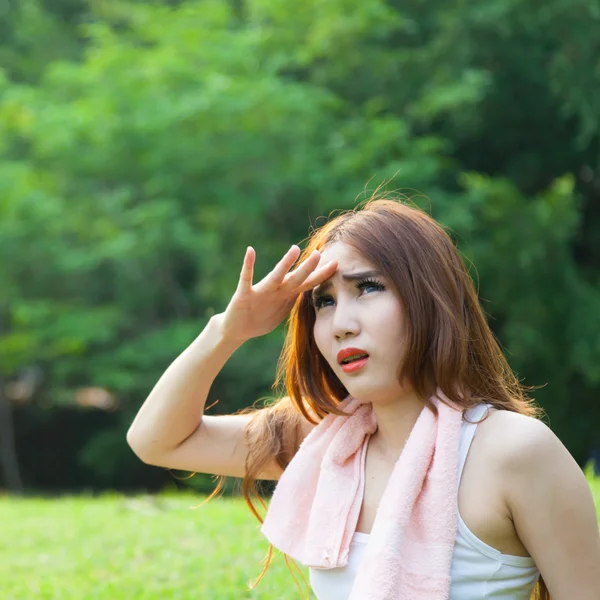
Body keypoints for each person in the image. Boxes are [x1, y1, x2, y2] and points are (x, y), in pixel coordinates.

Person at [127, 195, 600, 600]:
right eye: (324, 301)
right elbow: (156, 441)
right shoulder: (325, 441)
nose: (341, 323)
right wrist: (228, 332)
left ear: (428, 298)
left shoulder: (514, 451)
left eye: (367, 287)